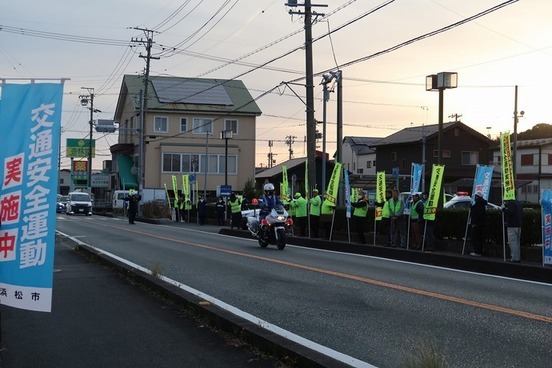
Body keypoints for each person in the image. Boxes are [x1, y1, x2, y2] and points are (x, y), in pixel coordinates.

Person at [469, 191, 487, 256]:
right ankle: (479, 252)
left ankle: (477, 252)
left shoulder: (479, 204)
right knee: (479, 238)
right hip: (481, 224)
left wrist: (474, 223)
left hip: (477, 224)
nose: (475, 197)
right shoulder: (481, 204)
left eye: (476, 196)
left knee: (476, 238)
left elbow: (477, 214)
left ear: (478, 197)